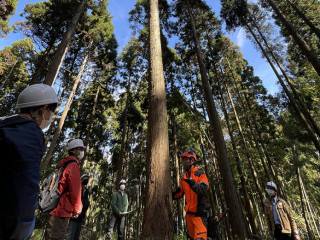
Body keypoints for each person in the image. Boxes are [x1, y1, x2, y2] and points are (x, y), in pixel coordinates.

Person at [0, 84, 58, 240]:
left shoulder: (6, 125)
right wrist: (25, 226)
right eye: (51, 111)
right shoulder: (30, 132)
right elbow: (24, 184)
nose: (51, 116)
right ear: (42, 109)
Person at [43, 139, 85, 240]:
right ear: (74, 150)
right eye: (80, 149)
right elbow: (75, 190)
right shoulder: (73, 165)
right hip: (62, 211)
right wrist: (77, 208)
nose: (82, 152)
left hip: (55, 208)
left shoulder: (64, 164)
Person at [173, 148, 209, 240]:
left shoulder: (201, 175)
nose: (184, 162)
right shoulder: (184, 178)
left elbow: (203, 190)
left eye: (186, 160)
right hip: (189, 217)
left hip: (199, 217)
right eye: (183, 160)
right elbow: (179, 194)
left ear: (192, 160)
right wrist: (170, 195)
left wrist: (190, 181)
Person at [65, 174, 91, 240]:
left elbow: (85, 203)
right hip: (73, 217)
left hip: (80, 218)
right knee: (69, 235)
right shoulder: (76, 188)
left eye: (87, 179)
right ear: (81, 179)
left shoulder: (86, 191)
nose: (86, 180)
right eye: (85, 179)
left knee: (76, 237)